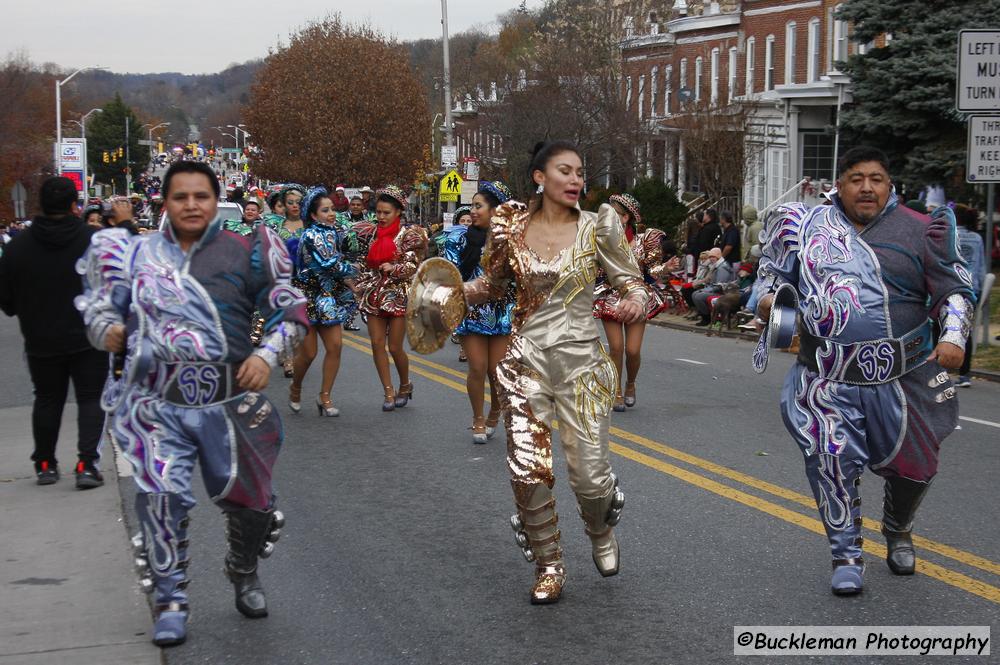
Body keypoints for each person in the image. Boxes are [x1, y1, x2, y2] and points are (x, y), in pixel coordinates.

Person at [75, 161, 308, 646]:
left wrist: (267, 354)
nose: (191, 205)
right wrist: (109, 330)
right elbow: (98, 310)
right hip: (158, 402)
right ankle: (171, 598)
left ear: (213, 200)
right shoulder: (135, 256)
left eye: (200, 196)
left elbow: (289, 310)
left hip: (231, 401)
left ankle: (243, 570)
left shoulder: (248, 251)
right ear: (165, 202)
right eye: (180, 197)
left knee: (252, 506)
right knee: (161, 501)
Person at [754, 146, 973, 596]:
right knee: (830, 459)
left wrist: (953, 336)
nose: (867, 187)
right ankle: (846, 554)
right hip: (826, 374)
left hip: (907, 373)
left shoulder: (921, 229)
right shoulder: (805, 227)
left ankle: (897, 526)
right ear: (840, 184)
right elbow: (772, 278)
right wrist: (770, 304)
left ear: (889, 185)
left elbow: (954, 287)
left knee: (916, 469)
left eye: (876, 178)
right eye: (856, 178)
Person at [460, 141, 648, 604]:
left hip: (582, 361)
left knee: (589, 476)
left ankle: (600, 531)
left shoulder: (597, 227)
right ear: (539, 178)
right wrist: (451, 292)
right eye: (565, 171)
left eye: (580, 172)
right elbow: (492, 285)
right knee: (527, 470)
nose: (575, 180)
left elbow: (632, 280)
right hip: (525, 360)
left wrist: (633, 300)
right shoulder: (511, 229)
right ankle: (548, 565)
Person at [0, 177, 106, 488]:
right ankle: (87, 464)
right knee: (90, 398)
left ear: (40, 206)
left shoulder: (18, 247)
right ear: (75, 205)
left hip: (40, 336)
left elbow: (6, 300)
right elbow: (113, 286)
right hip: (88, 334)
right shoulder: (94, 241)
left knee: (47, 398)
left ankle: (45, 463)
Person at [443, 182, 516, 443]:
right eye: (472, 206)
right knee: (477, 366)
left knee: (496, 371)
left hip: (501, 311)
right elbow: (449, 273)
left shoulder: (510, 240)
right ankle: (477, 418)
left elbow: (522, 277)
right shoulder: (457, 237)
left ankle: (495, 410)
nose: (473, 211)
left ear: (496, 211)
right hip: (470, 311)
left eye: (479, 206)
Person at [593, 193, 678, 411]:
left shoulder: (643, 241)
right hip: (610, 297)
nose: (613, 218)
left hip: (637, 297)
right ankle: (616, 392)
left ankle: (630, 384)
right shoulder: (601, 240)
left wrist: (666, 268)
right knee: (616, 347)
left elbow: (650, 272)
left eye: (618, 215)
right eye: (611, 214)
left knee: (632, 350)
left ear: (627, 218)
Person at [354, 185, 427, 410]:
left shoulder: (409, 235)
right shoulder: (370, 233)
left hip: (399, 295)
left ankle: (405, 385)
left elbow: (413, 266)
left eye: (386, 213)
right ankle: (388, 392)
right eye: (378, 212)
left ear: (398, 213)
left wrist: (393, 268)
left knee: (395, 347)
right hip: (374, 293)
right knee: (377, 344)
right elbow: (363, 261)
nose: (381, 217)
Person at [288, 187, 358, 416]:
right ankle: (296, 387)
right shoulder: (311, 235)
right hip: (307, 296)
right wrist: (356, 271)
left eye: (332, 209)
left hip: (326, 295)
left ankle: (324, 396)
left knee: (335, 346)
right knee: (308, 353)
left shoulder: (332, 232)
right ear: (313, 215)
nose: (331, 213)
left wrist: (349, 282)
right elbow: (329, 264)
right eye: (325, 210)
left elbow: (336, 262)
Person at [954, 204, 986, 387]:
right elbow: (981, 266)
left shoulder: (948, 235)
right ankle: (964, 375)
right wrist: (981, 290)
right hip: (971, 289)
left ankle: (938, 372)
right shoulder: (976, 238)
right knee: (966, 331)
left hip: (951, 288)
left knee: (941, 328)